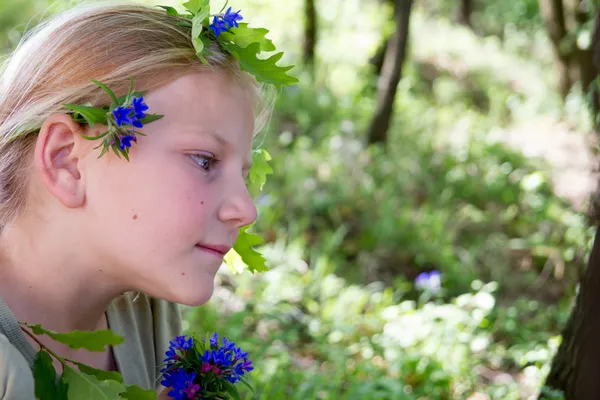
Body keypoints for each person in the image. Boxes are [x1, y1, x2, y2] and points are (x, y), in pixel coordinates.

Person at [0, 1, 280, 398]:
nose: (245, 210)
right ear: (68, 161)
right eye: (204, 161)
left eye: (244, 176)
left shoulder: (145, 311)